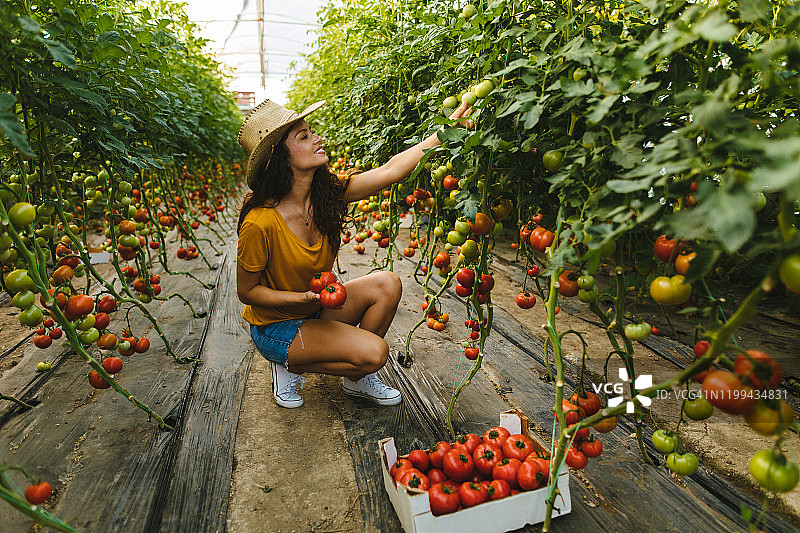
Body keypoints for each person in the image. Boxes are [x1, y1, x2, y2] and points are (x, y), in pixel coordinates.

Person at [236, 98, 470, 408]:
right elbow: (247, 292)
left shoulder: (327, 194)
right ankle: (290, 365)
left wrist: (442, 135)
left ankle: (355, 377)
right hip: (276, 326)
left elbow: (391, 171)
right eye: (304, 136)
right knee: (375, 353)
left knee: (388, 283)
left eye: (311, 131)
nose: (317, 138)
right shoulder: (260, 222)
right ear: (281, 158)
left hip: (314, 309)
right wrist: (301, 299)